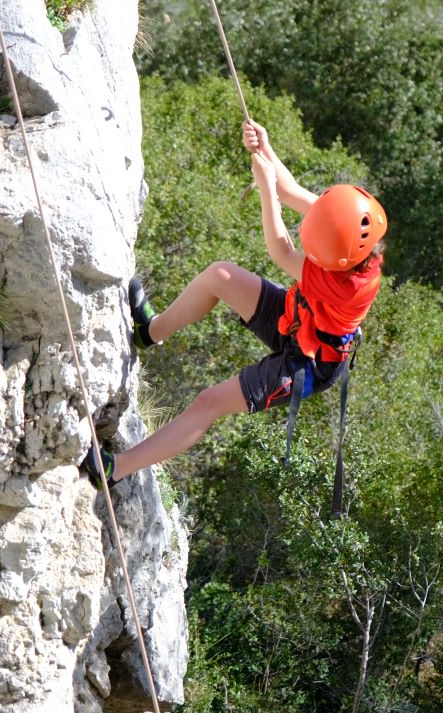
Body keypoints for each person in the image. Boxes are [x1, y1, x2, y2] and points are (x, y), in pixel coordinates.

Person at [83, 120, 387, 487]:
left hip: (309, 363)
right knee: (220, 276)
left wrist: (264, 187)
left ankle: (115, 470)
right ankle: (151, 332)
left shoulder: (345, 285)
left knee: (208, 403)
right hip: (298, 318)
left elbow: (281, 249)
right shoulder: (348, 232)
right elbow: (290, 191)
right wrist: (266, 148)